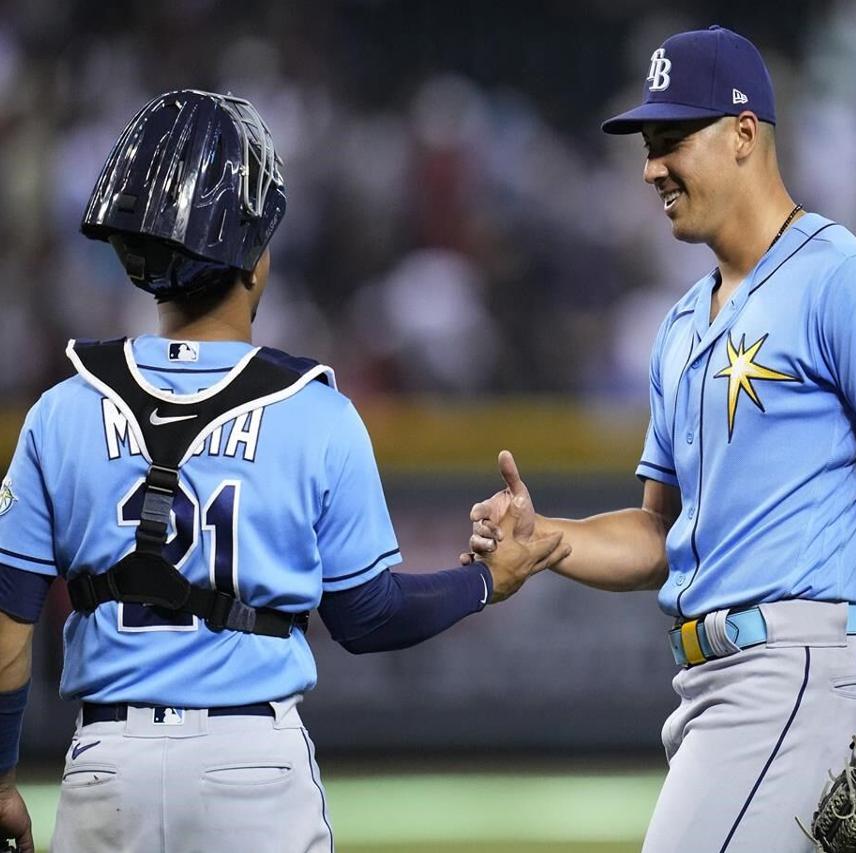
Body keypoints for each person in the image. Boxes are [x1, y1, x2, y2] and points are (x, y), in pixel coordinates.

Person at [0, 89, 565, 853]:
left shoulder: (62, 407)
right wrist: (485, 581)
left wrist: (1, 781)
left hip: (108, 768)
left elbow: (8, 625)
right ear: (256, 260)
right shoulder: (313, 410)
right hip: (250, 768)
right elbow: (366, 618)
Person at [465, 26, 856, 851]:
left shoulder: (846, 281)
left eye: (671, 140)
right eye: (646, 145)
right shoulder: (679, 326)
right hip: (711, 683)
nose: (651, 167)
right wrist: (549, 538)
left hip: (793, 675)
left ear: (742, 134)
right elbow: (658, 533)